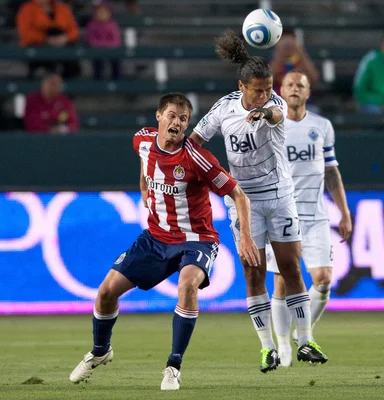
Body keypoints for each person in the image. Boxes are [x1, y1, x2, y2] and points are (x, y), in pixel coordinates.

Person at [69, 93, 259, 390]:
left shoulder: (198, 159)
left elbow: (238, 194)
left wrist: (246, 236)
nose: (177, 123)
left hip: (197, 239)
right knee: (106, 292)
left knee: (187, 285)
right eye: (172, 115)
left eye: (183, 119)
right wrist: (144, 187)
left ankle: (173, 365)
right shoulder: (142, 140)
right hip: (156, 238)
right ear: (158, 116)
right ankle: (100, 350)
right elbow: (145, 164)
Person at [189, 31, 329, 373]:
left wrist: (264, 113)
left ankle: (305, 339)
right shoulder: (224, 109)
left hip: (280, 197)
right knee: (253, 273)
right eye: (258, 90)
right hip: (243, 202)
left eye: (268, 88)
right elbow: (195, 140)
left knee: (290, 267)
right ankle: (267, 348)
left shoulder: (275, 106)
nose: (265, 95)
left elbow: (277, 116)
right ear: (242, 87)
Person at [264, 70, 352, 367]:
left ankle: (305, 333)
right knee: (280, 283)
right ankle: (284, 346)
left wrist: (344, 211)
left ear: (308, 91)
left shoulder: (321, 126)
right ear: (281, 90)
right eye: (289, 85)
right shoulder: (272, 126)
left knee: (323, 280)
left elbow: (331, 171)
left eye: (300, 85)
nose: (294, 89)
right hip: (282, 213)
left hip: (316, 216)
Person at [16, 0, 81, 79]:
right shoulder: (27, 9)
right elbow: (25, 33)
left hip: (62, 46)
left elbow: (74, 31)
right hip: (37, 48)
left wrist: (65, 38)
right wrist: (46, 39)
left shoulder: (62, 8)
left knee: (72, 63)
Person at [86, 1, 122, 80]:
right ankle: (97, 80)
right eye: (99, 12)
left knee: (116, 60)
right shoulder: (91, 25)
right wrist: (102, 46)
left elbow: (116, 41)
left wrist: (107, 47)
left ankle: (117, 80)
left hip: (112, 50)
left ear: (109, 14)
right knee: (97, 62)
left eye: (104, 12)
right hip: (96, 50)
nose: (101, 14)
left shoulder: (113, 25)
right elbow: (91, 40)